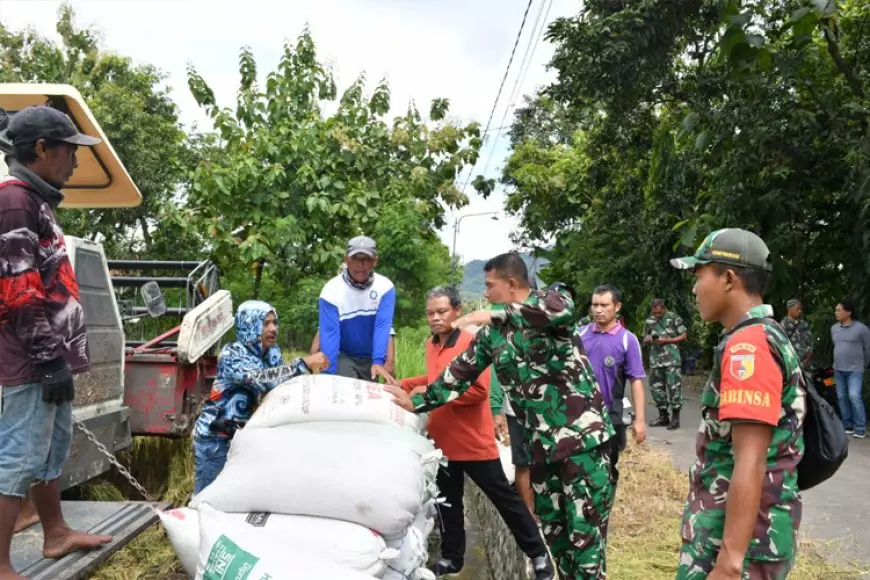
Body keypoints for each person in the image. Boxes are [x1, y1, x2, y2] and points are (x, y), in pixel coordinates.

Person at [387, 253, 614, 580]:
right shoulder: (493, 336)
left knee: (586, 547)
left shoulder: (549, 306)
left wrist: (490, 313)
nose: (487, 293)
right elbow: (458, 374)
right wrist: (415, 401)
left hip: (582, 447)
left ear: (511, 284)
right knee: (559, 540)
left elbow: (563, 310)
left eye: (491, 286)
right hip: (543, 450)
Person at [0, 105, 115, 577]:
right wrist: (48, 360)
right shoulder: (14, 200)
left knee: (50, 451)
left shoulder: (36, 199)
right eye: (70, 151)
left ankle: (56, 534)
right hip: (31, 359)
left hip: (51, 356)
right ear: (43, 149)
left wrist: (62, 358)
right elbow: (17, 287)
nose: (76, 161)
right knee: (17, 456)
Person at [670, 228, 805, 580]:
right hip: (741, 537)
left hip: (741, 549)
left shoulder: (750, 346)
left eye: (699, 276)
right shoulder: (758, 335)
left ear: (728, 278)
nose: (695, 288)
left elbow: (751, 457)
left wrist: (729, 563)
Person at [398, 286, 550, 578]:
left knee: (505, 500)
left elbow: (478, 392)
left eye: (442, 311)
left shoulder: (471, 341)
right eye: (430, 313)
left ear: (457, 311)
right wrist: (406, 384)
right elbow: (436, 378)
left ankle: (539, 554)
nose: (435, 318)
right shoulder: (433, 344)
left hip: (472, 442)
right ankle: (452, 558)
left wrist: (427, 392)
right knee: (448, 504)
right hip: (442, 441)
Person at [192, 301, 328, 493]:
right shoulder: (232, 354)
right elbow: (260, 379)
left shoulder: (272, 353)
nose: (273, 329)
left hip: (245, 439)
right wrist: (303, 364)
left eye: (275, 322)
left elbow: (280, 387)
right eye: (265, 324)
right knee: (208, 496)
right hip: (215, 439)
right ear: (250, 324)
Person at [578, 284, 647, 484]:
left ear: (617, 307)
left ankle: (603, 509)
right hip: (581, 413)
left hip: (611, 415)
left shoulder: (627, 340)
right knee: (581, 467)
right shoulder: (580, 335)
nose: (598, 310)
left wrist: (640, 420)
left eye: (604, 305)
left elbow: (636, 380)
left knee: (608, 468)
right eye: (595, 305)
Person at [318, 236, 396, 382]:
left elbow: (382, 326)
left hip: (371, 355)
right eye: (355, 258)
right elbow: (329, 334)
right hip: (344, 354)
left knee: (369, 396)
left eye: (366, 259)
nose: (360, 264)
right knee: (349, 390)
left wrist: (379, 361)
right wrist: (328, 375)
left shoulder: (385, 288)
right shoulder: (330, 291)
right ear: (347, 260)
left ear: (375, 261)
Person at [643, 298, 688, 429]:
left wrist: (667, 340)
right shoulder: (649, 321)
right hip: (655, 361)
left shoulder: (674, 318)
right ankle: (663, 416)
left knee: (674, 388)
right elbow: (645, 337)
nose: (656, 315)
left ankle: (675, 419)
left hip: (672, 360)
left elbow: (684, 335)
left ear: (664, 308)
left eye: (659, 313)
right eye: (654, 313)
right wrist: (648, 339)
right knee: (656, 389)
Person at [831, 298, 870, 439]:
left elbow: (868, 349)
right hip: (838, 368)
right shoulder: (834, 329)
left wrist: (863, 365)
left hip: (855, 369)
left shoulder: (861, 329)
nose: (836, 313)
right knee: (842, 397)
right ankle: (847, 425)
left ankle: (860, 428)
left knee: (854, 396)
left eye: (838, 310)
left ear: (848, 312)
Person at [310, 326, 396, 377]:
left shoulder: (338, 302)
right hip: (346, 358)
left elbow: (315, 349)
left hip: (367, 361)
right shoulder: (377, 303)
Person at [780, 299, 814, 368]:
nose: (800, 311)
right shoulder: (782, 326)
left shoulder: (804, 325)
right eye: (797, 308)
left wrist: (807, 360)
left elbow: (810, 344)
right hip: (791, 367)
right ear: (789, 309)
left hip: (806, 366)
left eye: (800, 308)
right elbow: (780, 347)